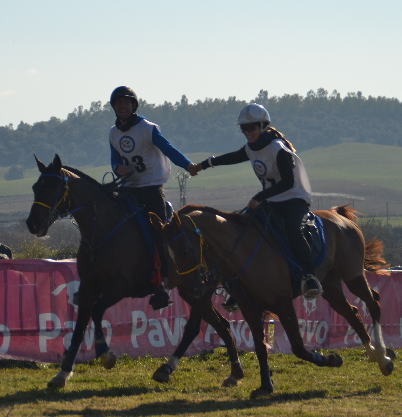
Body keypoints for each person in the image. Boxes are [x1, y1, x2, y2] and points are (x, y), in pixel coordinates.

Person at [190, 103, 323, 300]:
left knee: (293, 230)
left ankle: (310, 276)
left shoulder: (278, 149)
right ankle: (241, 284)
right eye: (244, 128)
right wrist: (203, 165)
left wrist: (259, 197)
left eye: (251, 128)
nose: (247, 132)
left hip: (295, 198)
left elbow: (288, 182)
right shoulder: (252, 148)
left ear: (262, 126)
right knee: (243, 227)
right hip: (272, 199)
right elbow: (232, 157)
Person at [108, 86, 201, 309]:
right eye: (118, 103)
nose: (122, 106)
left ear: (133, 106)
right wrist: (117, 167)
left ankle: (163, 282)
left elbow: (168, 149)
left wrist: (188, 165)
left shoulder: (147, 129)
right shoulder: (113, 133)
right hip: (128, 189)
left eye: (126, 103)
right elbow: (114, 158)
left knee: (158, 233)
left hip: (150, 189)